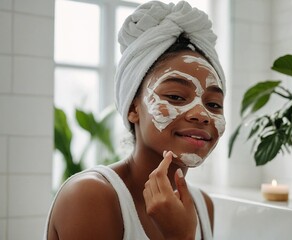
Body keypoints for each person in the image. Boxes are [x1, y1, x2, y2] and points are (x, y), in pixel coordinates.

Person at [44, 1, 226, 239]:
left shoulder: (203, 206)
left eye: (213, 104)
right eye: (175, 96)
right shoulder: (90, 196)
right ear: (133, 108)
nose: (202, 114)